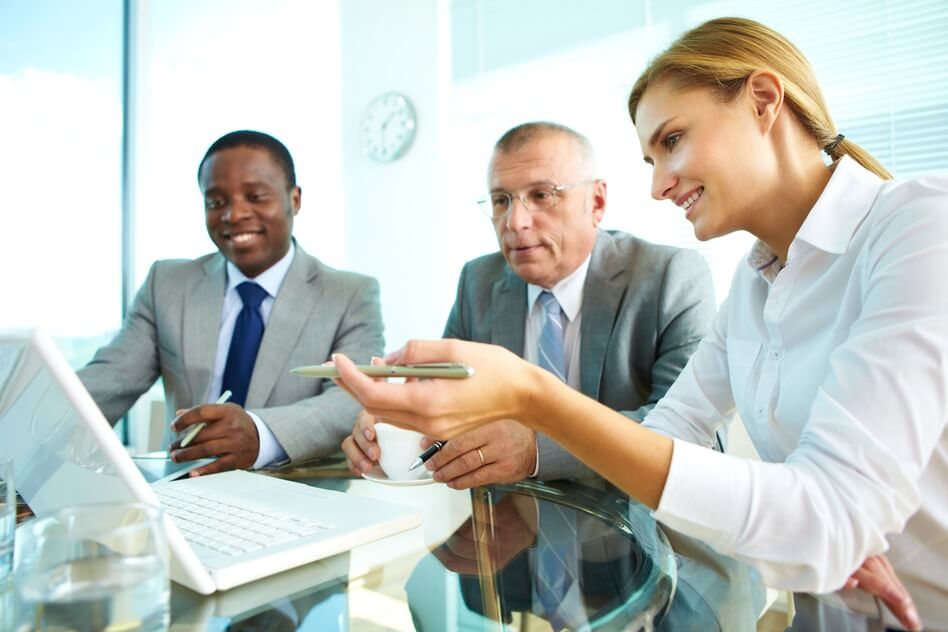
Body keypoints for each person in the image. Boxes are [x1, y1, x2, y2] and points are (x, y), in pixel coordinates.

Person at [331, 18, 948, 631]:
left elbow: (824, 521)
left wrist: (534, 400)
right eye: (651, 158)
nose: (657, 186)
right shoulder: (755, 288)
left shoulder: (920, 227)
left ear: (763, 101)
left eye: (673, 141)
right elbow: (668, 434)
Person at [342, 122, 716, 489]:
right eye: (501, 201)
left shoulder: (669, 276)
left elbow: (689, 437)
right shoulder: (478, 282)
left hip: (634, 522)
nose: (515, 222)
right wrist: (392, 418)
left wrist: (537, 450)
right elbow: (442, 399)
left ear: (596, 202)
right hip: (508, 524)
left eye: (542, 195)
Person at [79, 130, 384, 477]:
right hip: (186, 490)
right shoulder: (166, 284)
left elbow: (350, 400)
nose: (234, 214)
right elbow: (109, 380)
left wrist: (260, 433)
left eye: (255, 196)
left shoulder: (349, 294)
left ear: (294, 200)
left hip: (298, 493)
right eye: (216, 202)